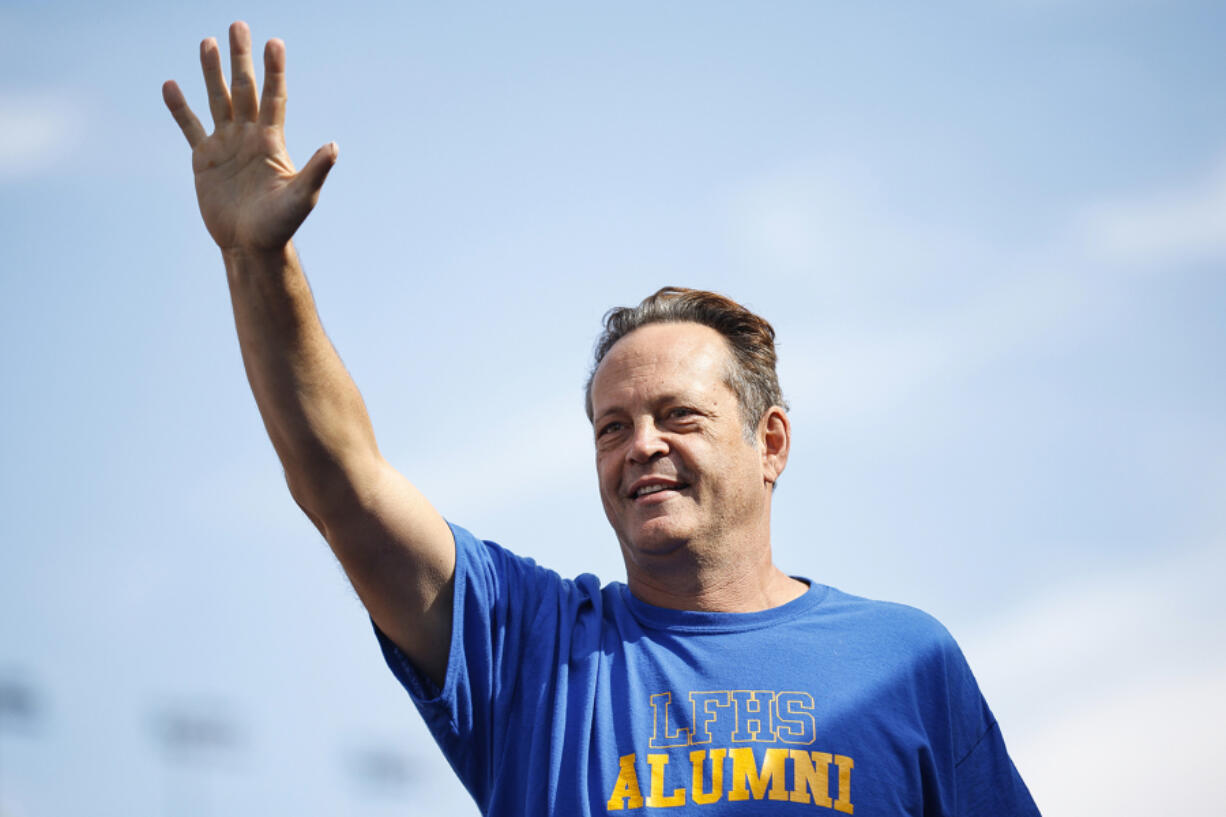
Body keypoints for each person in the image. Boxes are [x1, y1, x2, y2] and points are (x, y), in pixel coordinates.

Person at [164, 22, 1041, 816]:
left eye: (677, 415)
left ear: (769, 441)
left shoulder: (906, 661)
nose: (641, 445)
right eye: (611, 426)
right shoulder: (524, 646)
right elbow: (343, 484)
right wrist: (258, 260)